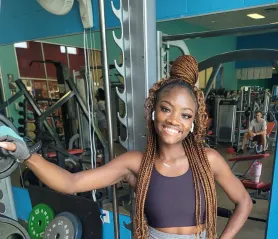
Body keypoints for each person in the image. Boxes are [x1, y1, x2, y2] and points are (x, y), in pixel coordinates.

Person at [0, 55, 252, 239]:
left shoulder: (209, 159)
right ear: (153, 112)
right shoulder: (135, 163)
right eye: (166, 109)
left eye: (185, 115)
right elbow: (71, 183)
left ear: (193, 122)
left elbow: (244, 201)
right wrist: (27, 156)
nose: (174, 120)